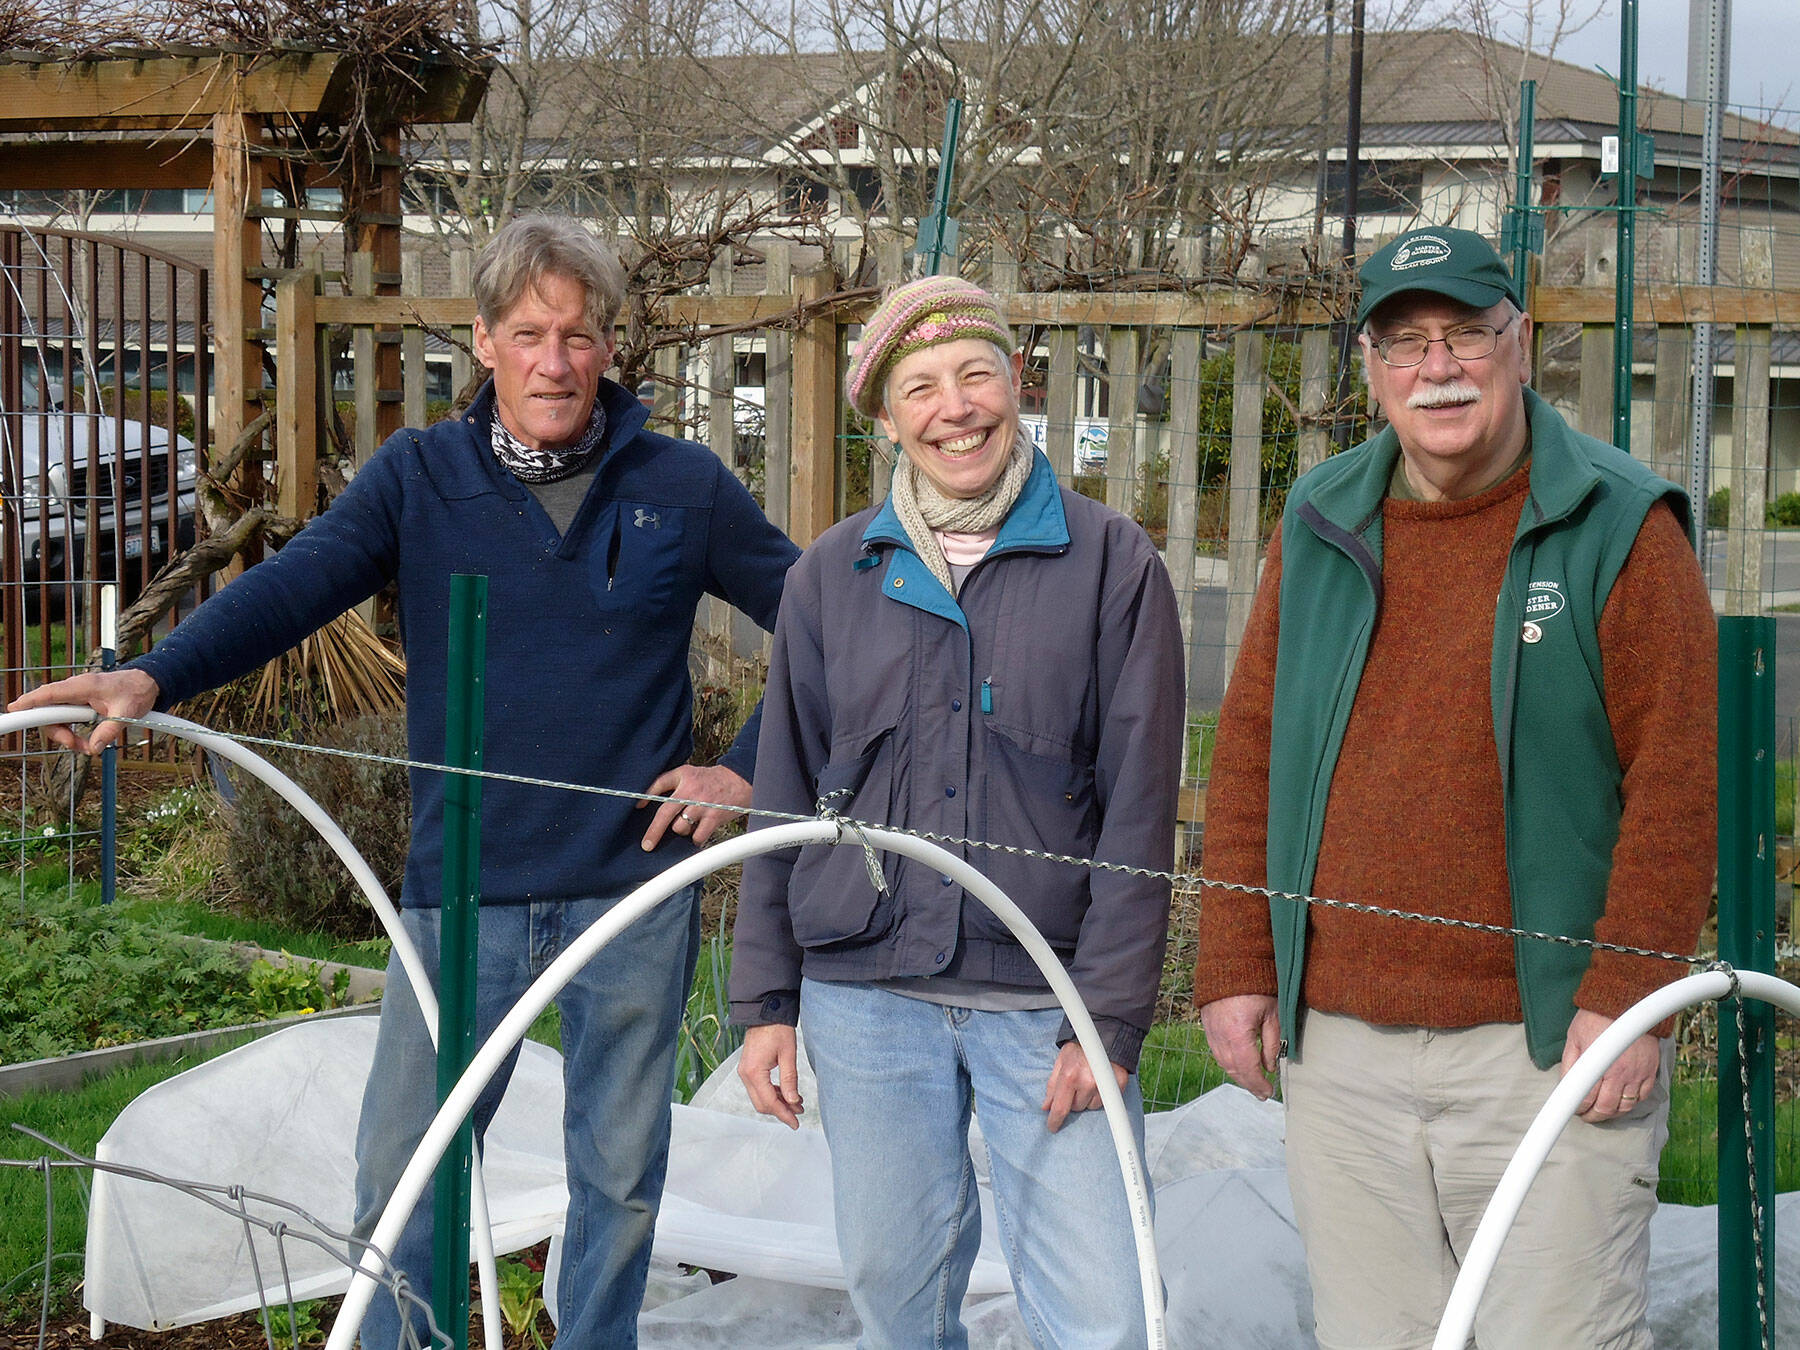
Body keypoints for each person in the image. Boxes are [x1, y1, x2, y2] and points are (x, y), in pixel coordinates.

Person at [11, 215, 799, 1348]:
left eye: (578, 335)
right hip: (459, 885)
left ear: (610, 349)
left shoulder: (682, 485)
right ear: (484, 342)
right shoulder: (420, 478)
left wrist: (744, 767)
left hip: (633, 889)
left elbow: (821, 627)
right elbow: (299, 585)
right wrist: (152, 674)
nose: (554, 360)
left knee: (619, 1181)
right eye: (529, 332)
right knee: (409, 1175)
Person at [1194, 226, 1716, 1347]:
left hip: (1541, 1047)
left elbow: (1678, 781)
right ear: (1373, 369)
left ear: (1519, 347)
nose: (1439, 368)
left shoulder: (1620, 525)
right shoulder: (1324, 514)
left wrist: (1626, 1002)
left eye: (1467, 335)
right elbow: (1250, 747)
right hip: (1338, 1051)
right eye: (1405, 342)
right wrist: (1238, 961)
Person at [729, 275, 1183, 1350]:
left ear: (1017, 383)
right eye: (920, 387)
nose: (956, 406)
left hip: (1045, 997)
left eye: (976, 373)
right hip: (867, 993)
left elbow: (1140, 813)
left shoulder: (1111, 564)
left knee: (1106, 1312)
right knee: (896, 1294)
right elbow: (784, 793)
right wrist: (766, 1001)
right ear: (885, 419)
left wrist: (1109, 1019)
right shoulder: (836, 574)